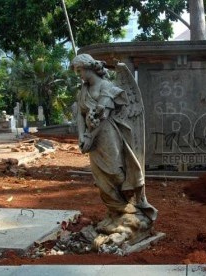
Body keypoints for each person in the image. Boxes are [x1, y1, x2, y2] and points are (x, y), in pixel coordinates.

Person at [71, 54, 157, 245]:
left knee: (115, 172)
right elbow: (80, 116)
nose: (79, 75)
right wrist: (81, 137)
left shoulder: (107, 88)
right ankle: (115, 212)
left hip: (107, 134)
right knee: (100, 176)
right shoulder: (83, 90)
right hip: (92, 139)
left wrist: (88, 138)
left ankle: (132, 210)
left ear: (89, 68)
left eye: (80, 71)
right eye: (77, 72)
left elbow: (102, 117)